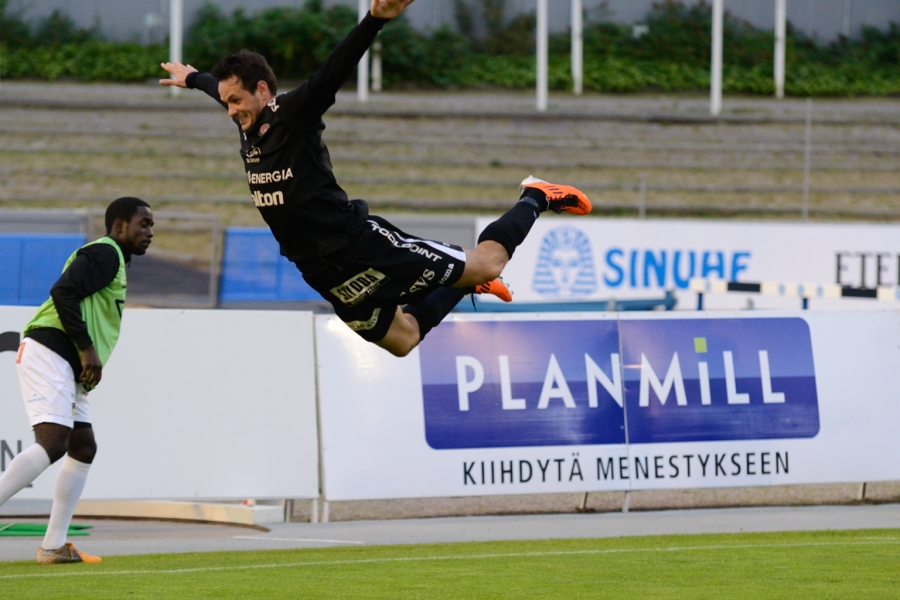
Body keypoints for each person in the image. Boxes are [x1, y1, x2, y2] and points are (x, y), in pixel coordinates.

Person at [160, 0, 590, 357]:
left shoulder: (293, 112)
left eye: (236, 100)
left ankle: (535, 196)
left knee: (488, 261)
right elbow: (217, 90)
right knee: (402, 340)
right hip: (319, 269)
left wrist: (374, 20)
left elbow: (333, 71)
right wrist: (192, 78)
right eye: (225, 102)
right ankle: (466, 285)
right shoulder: (246, 120)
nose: (231, 110)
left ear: (263, 90)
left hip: (358, 243)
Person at [0, 197, 154, 565]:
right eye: (143, 223)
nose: (149, 232)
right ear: (119, 225)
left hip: (68, 365)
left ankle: (53, 546)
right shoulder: (106, 252)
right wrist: (87, 349)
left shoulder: (112, 261)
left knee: (82, 447)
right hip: (50, 350)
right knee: (53, 443)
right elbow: (63, 292)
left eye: (151, 226)